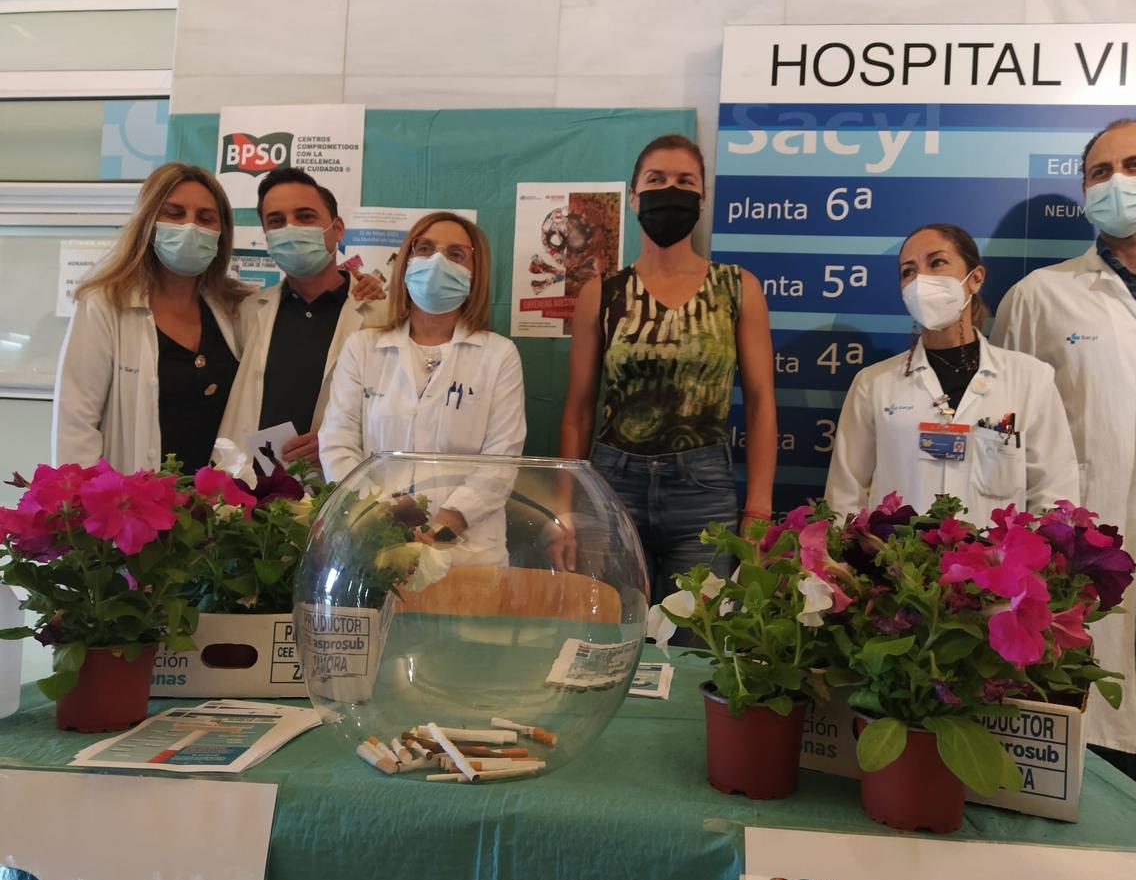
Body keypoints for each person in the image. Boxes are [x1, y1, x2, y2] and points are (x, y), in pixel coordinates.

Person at [992, 118, 1136, 814]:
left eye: (1135, 165)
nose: (1117, 182)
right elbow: (1005, 440)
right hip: (1071, 572)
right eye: (1101, 172)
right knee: (1061, 792)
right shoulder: (1038, 299)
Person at [559, 134, 777, 601]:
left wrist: (759, 509)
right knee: (610, 627)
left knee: (697, 634)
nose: (670, 191)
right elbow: (578, 410)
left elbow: (761, 403)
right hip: (613, 485)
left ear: (702, 197)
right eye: (656, 179)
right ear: (633, 195)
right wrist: (566, 507)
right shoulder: (602, 292)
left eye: (685, 181)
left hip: (703, 490)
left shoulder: (738, 288)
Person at [826, 224, 1078, 527]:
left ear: (975, 278)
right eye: (908, 271)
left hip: (994, 556)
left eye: (937, 263)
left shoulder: (1030, 379)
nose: (921, 281)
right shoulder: (873, 384)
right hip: (897, 556)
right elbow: (845, 495)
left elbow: (1052, 493)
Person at [320, 212, 526, 552]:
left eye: (456, 254)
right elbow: (337, 444)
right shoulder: (362, 347)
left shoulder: (499, 355)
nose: (437, 262)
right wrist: (383, 520)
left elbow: (501, 461)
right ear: (406, 261)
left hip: (468, 549)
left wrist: (439, 529)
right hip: (375, 543)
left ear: (476, 274)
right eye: (425, 249)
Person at [53, 162, 249, 474]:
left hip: (217, 500)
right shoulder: (105, 304)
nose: (190, 226)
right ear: (148, 222)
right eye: (174, 213)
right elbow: (76, 423)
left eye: (205, 218)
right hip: (134, 496)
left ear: (221, 232)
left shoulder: (234, 308)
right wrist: (86, 498)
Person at [218, 166, 386, 466]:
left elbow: (402, 412)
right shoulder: (246, 312)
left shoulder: (382, 315)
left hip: (339, 481)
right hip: (253, 484)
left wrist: (341, 439)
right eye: (276, 221)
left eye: (305, 217)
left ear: (337, 229)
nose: (290, 229)